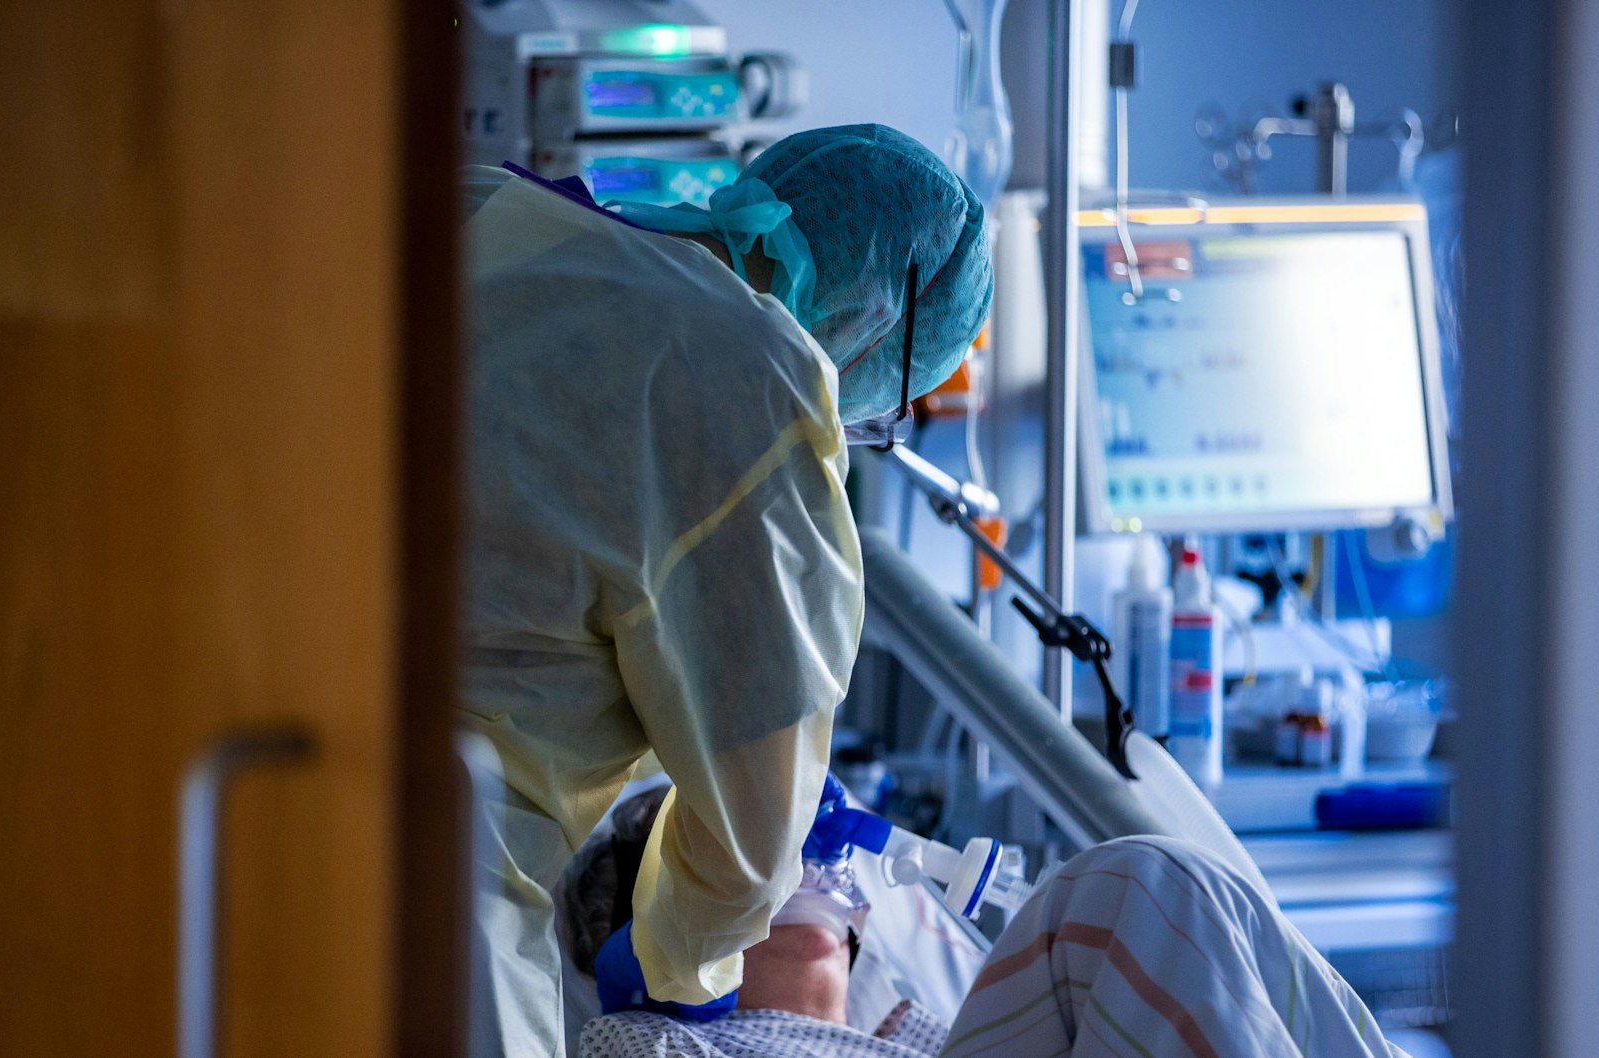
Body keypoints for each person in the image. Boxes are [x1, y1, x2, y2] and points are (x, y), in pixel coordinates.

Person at [462, 124, 993, 1056]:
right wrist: (677, 972)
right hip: (426, 867)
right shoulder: (756, 388)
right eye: (883, 401)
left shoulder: (488, 205)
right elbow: (754, 842)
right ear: (873, 323)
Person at [560, 787, 1417, 1058]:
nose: (811, 859)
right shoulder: (647, 1040)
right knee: (1131, 888)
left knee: (1172, 892)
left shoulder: (930, 1031)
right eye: (751, 852)